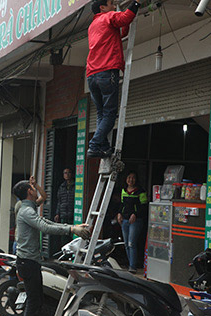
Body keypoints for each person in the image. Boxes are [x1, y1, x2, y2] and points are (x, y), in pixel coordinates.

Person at [13, 178, 90, 316]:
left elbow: (47, 222)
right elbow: (45, 227)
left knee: (37, 301)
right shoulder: (26, 211)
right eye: (33, 188)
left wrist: (72, 227)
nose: (35, 190)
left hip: (30, 261)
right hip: (27, 263)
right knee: (34, 302)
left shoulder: (30, 207)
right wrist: (71, 230)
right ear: (29, 191)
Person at [86, 0, 140, 158]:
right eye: (110, 3)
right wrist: (135, 3)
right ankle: (94, 145)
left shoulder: (93, 26)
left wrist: (126, 23)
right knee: (109, 114)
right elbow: (124, 19)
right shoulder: (108, 17)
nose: (114, 5)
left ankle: (103, 146)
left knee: (101, 114)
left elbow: (120, 32)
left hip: (91, 74)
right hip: (106, 71)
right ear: (102, 8)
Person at [117, 171, 148, 274]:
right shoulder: (123, 190)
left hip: (136, 221)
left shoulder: (141, 191)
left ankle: (133, 266)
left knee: (131, 243)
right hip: (125, 220)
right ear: (126, 179)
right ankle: (130, 264)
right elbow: (121, 205)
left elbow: (144, 207)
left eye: (133, 178)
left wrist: (135, 214)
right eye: (129, 177)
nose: (131, 180)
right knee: (126, 243)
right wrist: (119, 214)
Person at [54, 168, 75, 249]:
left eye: (69, 172)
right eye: (65, 173)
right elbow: (59, 201)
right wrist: (57, 213)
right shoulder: (62, 187)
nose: (67, 174)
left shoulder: (75, 185)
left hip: (72, 214)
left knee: (73, 234)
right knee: (64, 235)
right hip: (63, 214)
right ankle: (65, 253)